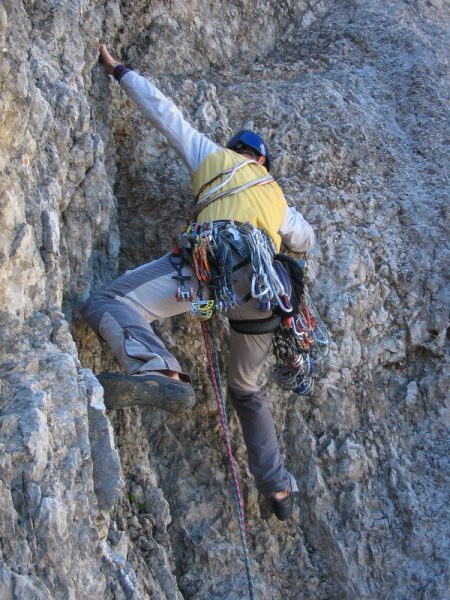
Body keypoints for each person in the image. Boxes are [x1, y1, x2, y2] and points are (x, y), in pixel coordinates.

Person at [83, 44, 315, 521]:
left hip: (213, 274)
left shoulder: (214, 158)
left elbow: (165, 113)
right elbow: (304, 240)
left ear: (235, 151)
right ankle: (278, 488)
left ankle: (159, 370)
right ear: (265, 163)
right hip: (267, 299)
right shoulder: (277, 198)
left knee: (109, 301)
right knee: (246, 392)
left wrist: (119, 70)